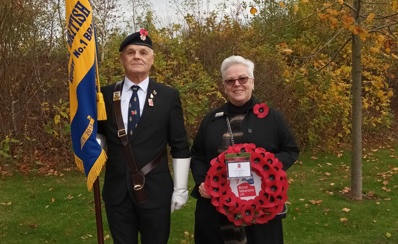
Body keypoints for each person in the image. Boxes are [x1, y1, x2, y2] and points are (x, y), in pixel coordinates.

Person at [190, 55, 299, 244]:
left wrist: (268, 168)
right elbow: (197, 154)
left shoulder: (272, 117)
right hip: (216, 208)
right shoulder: (211, 119)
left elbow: (290, 149)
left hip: (259, 207)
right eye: (230, 80)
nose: (237, 84)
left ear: (253, 82)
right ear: (224, 86)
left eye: (242, 78)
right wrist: (201, 181)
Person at [97, 29, 191, 244]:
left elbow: (179, 145)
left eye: (143, 52)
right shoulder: (104, 95)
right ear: (122, 58)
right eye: (130, 52)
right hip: (117, 190)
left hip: (156, 190)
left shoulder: (168, 96)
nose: (137, 56)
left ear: (152, 59)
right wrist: (93, 148)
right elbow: (100, 135)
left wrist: (180, 187)